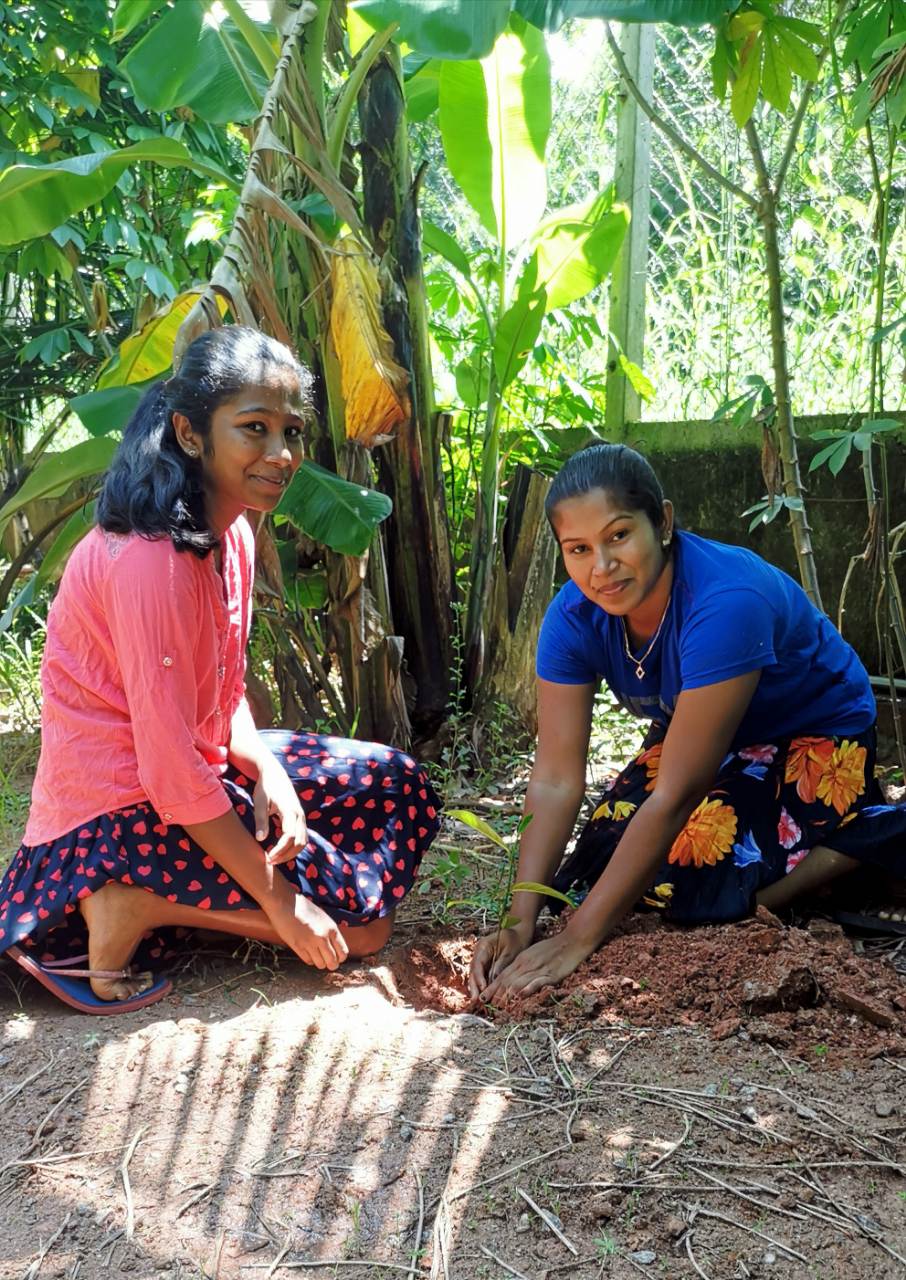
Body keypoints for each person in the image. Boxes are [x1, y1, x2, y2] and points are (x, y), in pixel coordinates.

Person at [0, 326, 440, 1013]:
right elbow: (168, 769)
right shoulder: (149, 559)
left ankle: (174, 904)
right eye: (254, 429)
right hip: (118, 816)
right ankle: (131, 904)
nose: (281, 454)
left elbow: (221, 687)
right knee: (363, 931)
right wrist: (283, 904)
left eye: (291, 432)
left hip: (195, 775)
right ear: (191, 432)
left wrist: (267, 770)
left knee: (398, 784)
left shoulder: (231, 531)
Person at [469, 443, 906, 1002]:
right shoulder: (572, 619)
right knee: (597, 862)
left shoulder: (725, 602)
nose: (601, 567)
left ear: (663, 522)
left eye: (618, 535)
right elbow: (555, 777)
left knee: (693, 868)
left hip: (815, 733)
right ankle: (759, 876)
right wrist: (519, 920)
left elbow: (676, 794)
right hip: (706, 735)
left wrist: (578, 939)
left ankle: (862, 842)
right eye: (578, 549)